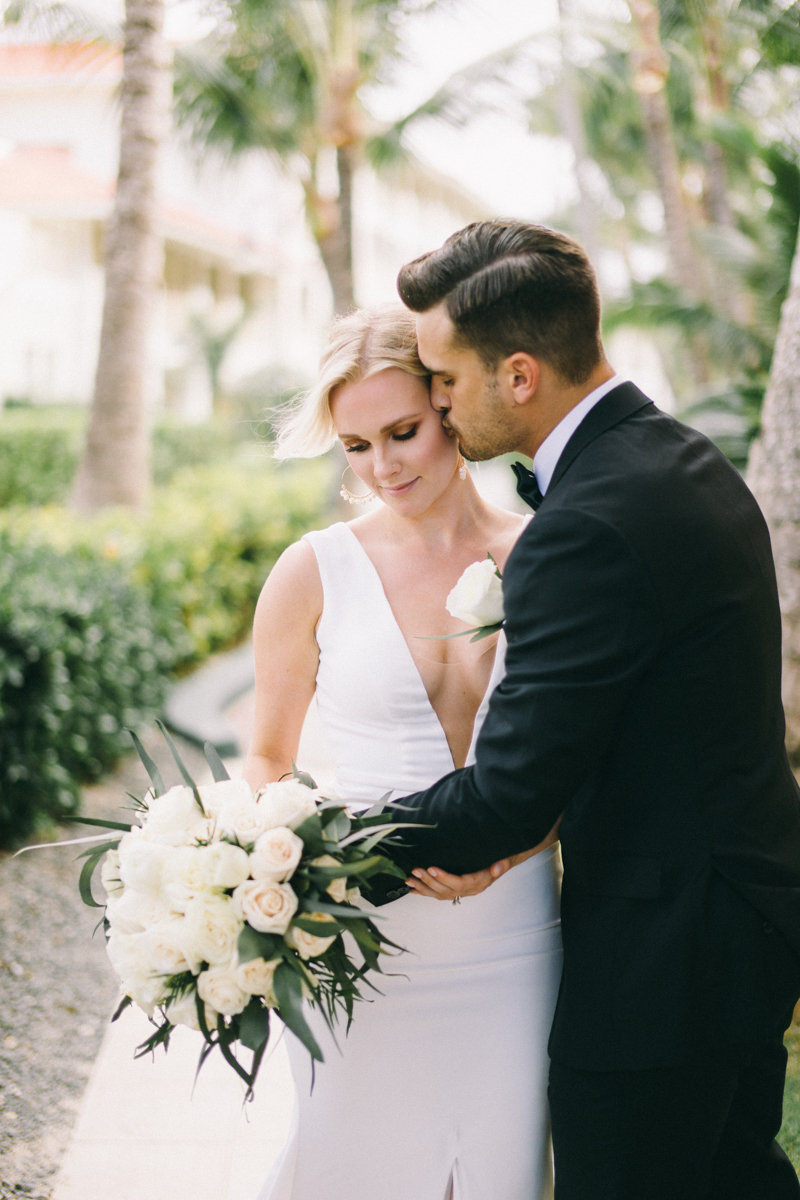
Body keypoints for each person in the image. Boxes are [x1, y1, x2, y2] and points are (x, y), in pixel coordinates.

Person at [375, 217, 800, 1200]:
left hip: (661, 963)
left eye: (443, 379)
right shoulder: (679, 457)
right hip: (737, 923)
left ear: (517, 374)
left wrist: (297, 847)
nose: (435, 405)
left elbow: (509, 798)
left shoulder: (587, 523)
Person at [242, 305, 563, 1200]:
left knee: (500, 1174)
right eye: (355, 445)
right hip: (364, 939)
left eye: (404, 431)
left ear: (448, 410)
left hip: (516, 938)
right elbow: (267, 761)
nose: (383, 466)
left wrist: (516, 846)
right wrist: (292, 876)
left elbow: (588, 752)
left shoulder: (545, 555)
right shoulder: (311, 571)